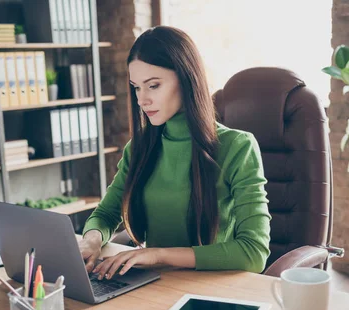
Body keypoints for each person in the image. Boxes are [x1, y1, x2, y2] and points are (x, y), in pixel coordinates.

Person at [78, 26, 271, 280]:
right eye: (136, 87)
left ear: (187, 79)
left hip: (213, 290)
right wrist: (92, 240)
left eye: (153, 85)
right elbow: (106, 214)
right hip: (153, 284)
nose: (142, 99)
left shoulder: (238, 147)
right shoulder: (140, 147)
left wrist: (159, 255)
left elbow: (254, 252)